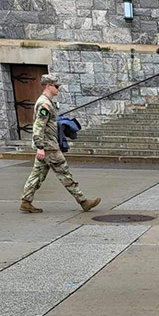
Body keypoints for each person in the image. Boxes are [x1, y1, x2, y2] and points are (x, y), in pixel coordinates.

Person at [19, 73, 101, 214]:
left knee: (37, 175)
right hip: (49, 147)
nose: (58, 89)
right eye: (56, 86)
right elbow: (39, 126)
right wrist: (40, 147)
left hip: (47, 145)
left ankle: (26, 201)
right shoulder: (44, 104)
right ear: (48, 86)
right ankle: (83, 201)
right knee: (64, 173)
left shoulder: (47, 102)